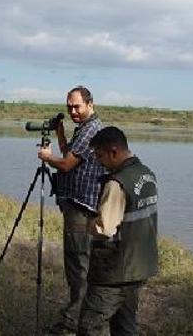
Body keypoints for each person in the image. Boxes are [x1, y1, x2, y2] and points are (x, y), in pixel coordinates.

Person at [77, 126, 158, 336]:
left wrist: (85, 224)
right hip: (139, 265)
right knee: (125, 326)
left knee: (89, 326)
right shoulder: (146, 174)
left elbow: (105, 228)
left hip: (115, 271)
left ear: (114, 151)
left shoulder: (116, 183)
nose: (98, 161)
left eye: (99, 155)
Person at [38, 86, 105, 335]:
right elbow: (70, 155)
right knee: (76, 265)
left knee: (79, 267)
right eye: (69, 107)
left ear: (90, 103)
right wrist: (60, 133)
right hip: (77, 206)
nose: (73, 111)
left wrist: (47, 158)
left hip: (82, 208)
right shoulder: (84, 129)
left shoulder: (91, 130)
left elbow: (66, 164)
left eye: (77, 106)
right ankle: (79, 318)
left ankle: (72, 322)